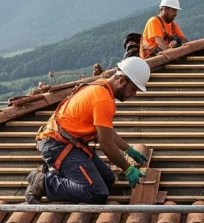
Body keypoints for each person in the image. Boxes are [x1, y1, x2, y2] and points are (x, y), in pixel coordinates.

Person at [24, 57, 151, 204]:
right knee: (97, 193)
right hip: (58, 146)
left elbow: (106, 131)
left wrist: (128, 150)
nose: (133, 95)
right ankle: (43, 182)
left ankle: (62, 175)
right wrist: (128, 168)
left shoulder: (102, 88)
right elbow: (106, 144)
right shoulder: (103, 99)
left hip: (71, 144)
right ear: (122, 81)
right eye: (133, 89)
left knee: (108, 179)